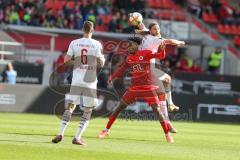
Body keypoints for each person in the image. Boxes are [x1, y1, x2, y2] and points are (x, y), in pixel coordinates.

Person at [98, 37, 176, 143]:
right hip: (134, 89)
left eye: (131, 45)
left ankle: (167, 134)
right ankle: (106, 130)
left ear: (137, 45)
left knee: (157, 111)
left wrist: (162, 49)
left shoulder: (145, 53)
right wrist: (112, 77)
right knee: (118, 108)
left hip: (148, 88)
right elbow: (122, 69)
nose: (129, 47)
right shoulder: (129, 58)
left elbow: (160, 56)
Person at [52, 21, 105, 145]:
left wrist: (78, 63)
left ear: (82, 29)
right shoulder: (97, 44)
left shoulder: (74, 43)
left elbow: (66, 61)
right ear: (93, 30)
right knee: (88, 109)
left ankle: (60, 133)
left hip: (76, 79)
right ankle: (77, 137)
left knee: (70, 106)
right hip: (90, 80)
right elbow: (101, 64)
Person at [136, 21, 185, 112]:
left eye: (158, 28)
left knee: (166, 81)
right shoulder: (155, 39)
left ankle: (169, 105)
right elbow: (170, 41)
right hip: (149, 68)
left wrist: (136, 18)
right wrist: (180, 42)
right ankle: (168, 105)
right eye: (155, 29)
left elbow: (140, 24)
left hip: (143, 66)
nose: (157, 30)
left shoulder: (146, 34)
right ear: (150, 31)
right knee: (166, 82)